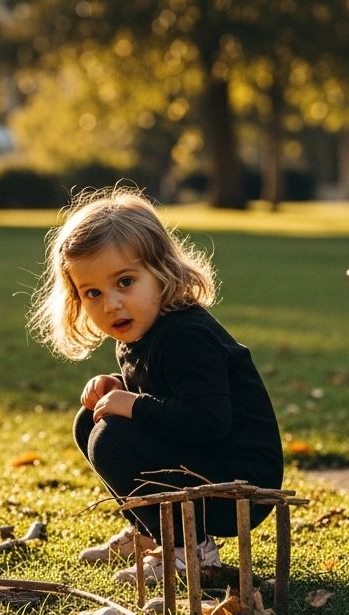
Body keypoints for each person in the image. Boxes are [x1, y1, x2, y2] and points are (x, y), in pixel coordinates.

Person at [28, 187, 283, 583]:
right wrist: (116, 389)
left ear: (162, 273)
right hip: (203, 466)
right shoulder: (138, 335)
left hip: (241, 486)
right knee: (90, 421)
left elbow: (208, 420)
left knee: (111, 437)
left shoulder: (186, 335)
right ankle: (153, 533)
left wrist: (132, 405)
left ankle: (189, 552)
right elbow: (164, 401)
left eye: (125, 282)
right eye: (92, 293)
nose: (110, 303)